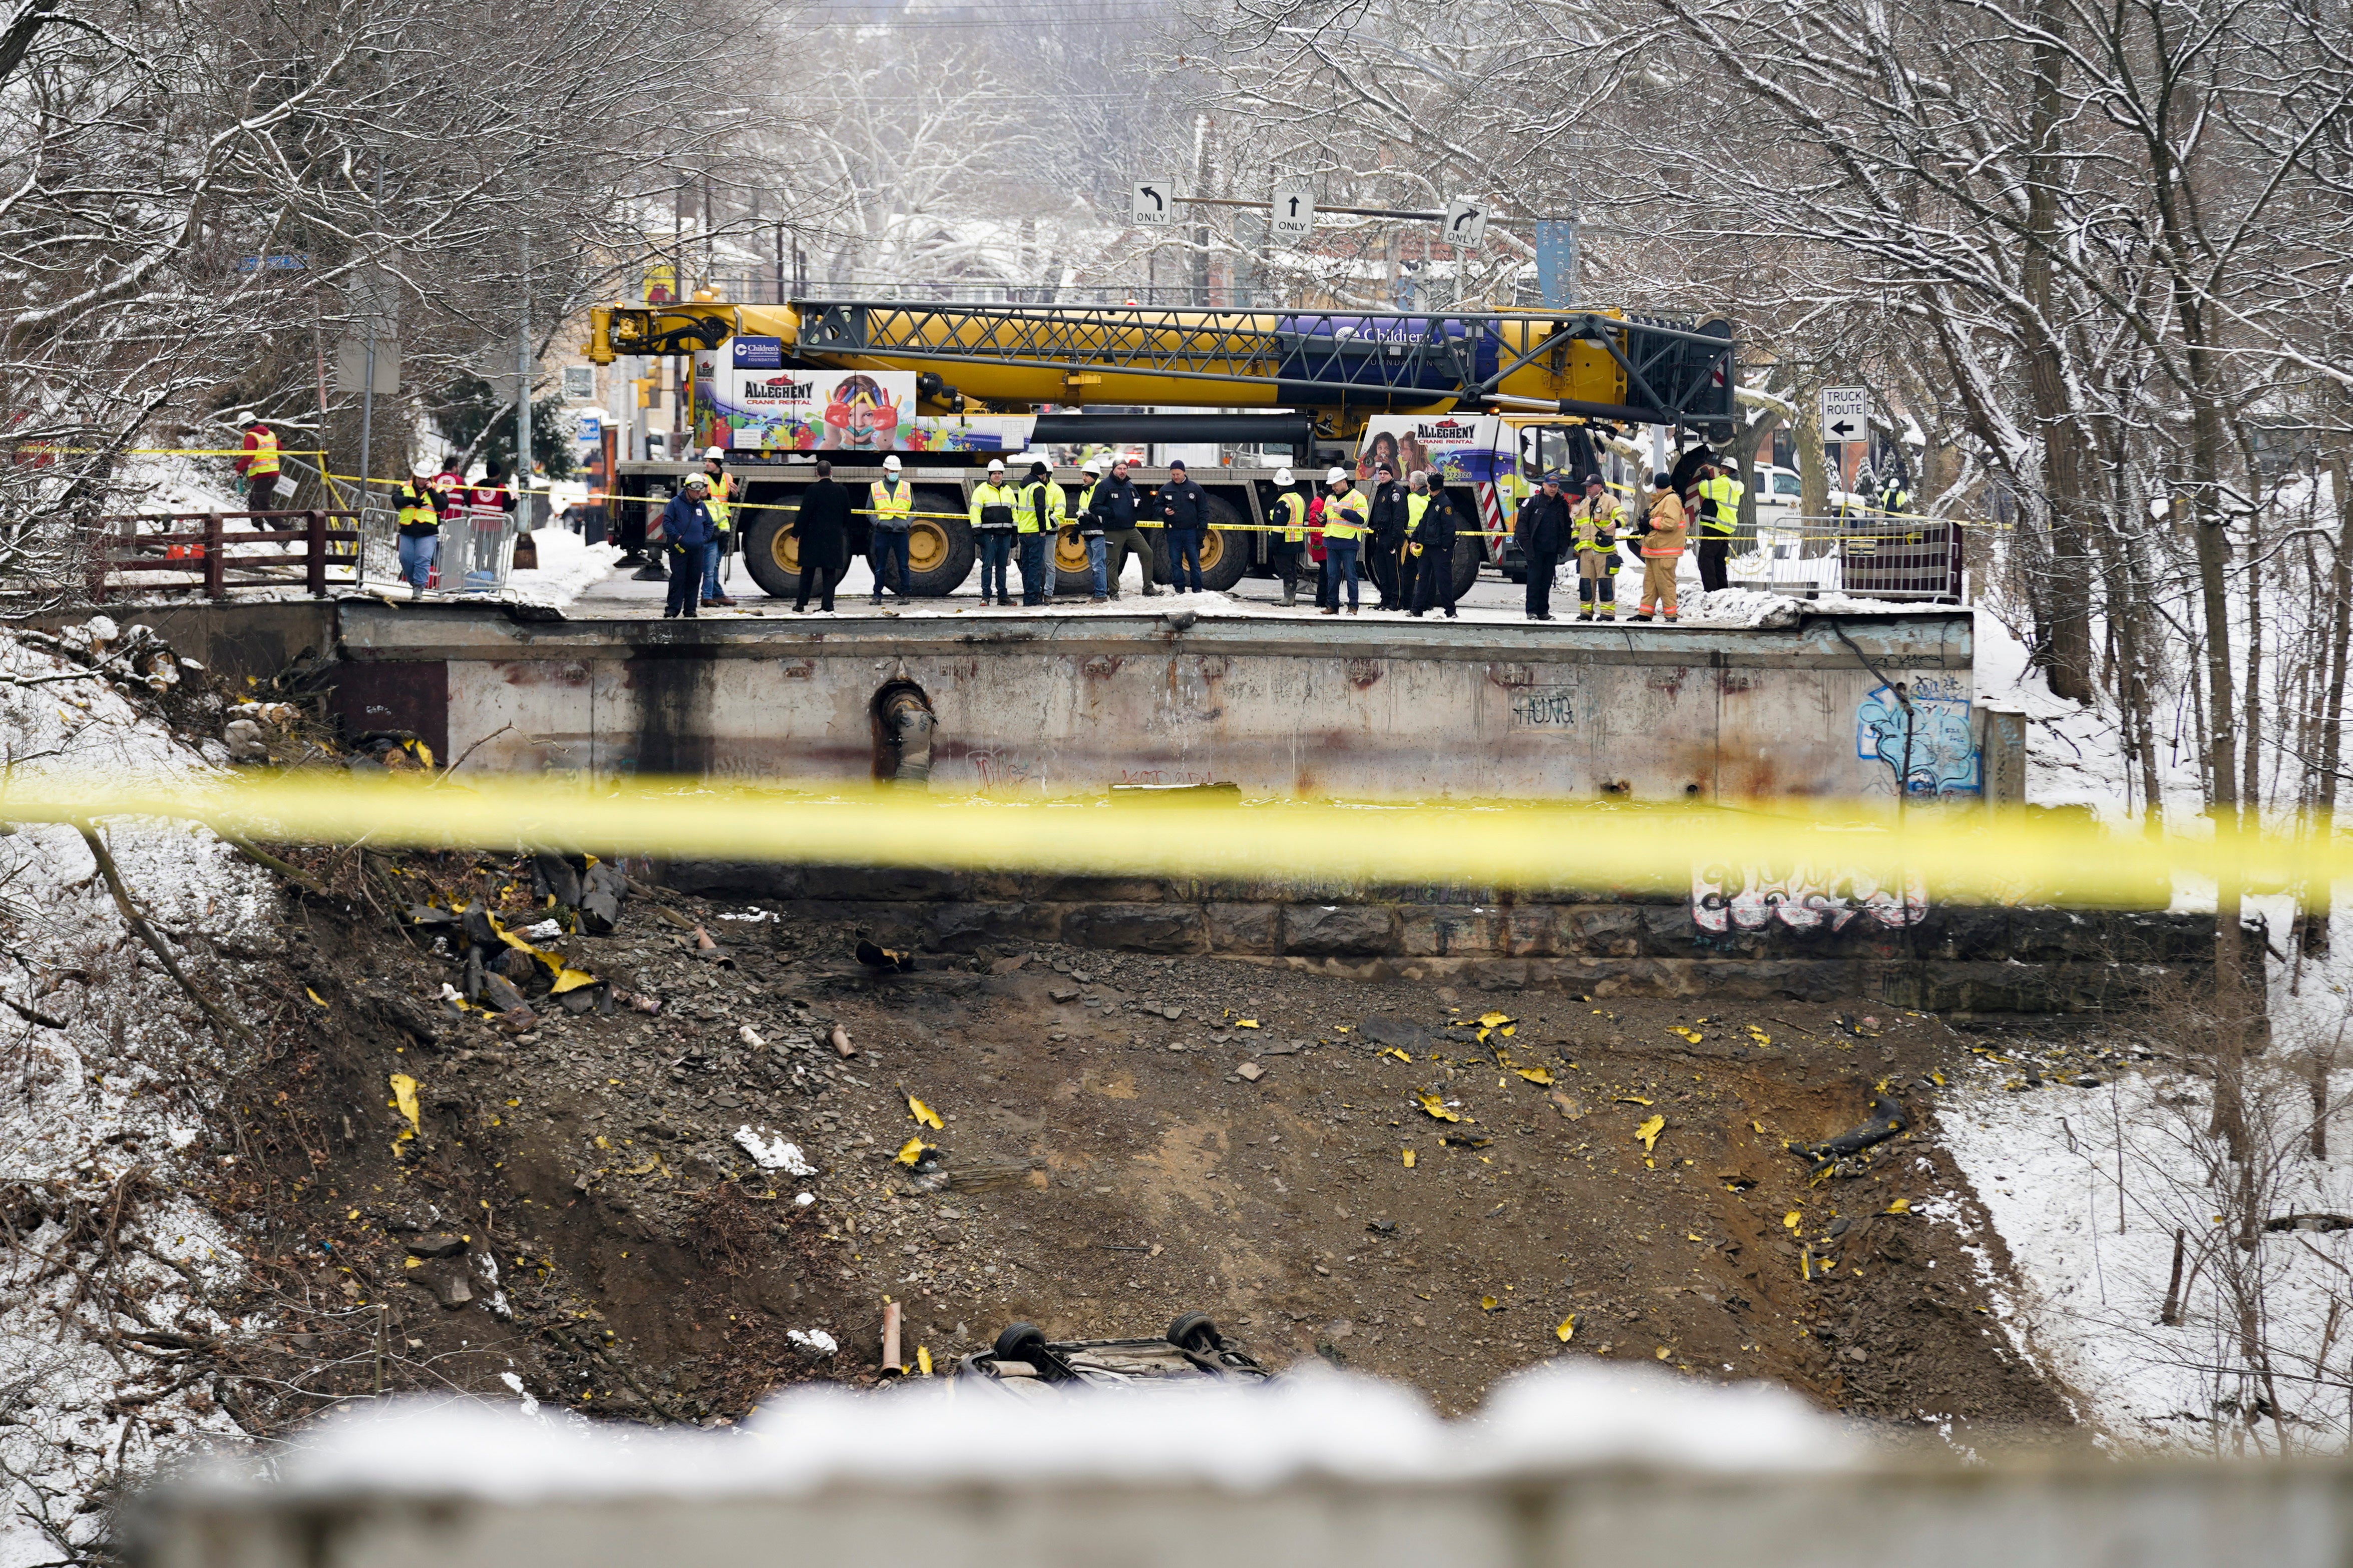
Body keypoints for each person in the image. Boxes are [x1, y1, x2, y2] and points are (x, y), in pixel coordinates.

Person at [1085, 457, 1156, 599]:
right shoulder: (1105, 486)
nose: (1123, 472)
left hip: (1130, 529)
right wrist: (1111, 513)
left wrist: (1139, 505)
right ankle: (1114, 592)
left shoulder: (1129, 485)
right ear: (1114, 470)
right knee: (1113, 561)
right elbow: (1093, 506)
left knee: (1147, 553)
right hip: (1114, 530)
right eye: (1120, 469)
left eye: (1125, 469)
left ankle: (1148, 587)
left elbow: (1137, 500)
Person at [792, 459, 852, 613]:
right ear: (831, 473)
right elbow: (847, 515)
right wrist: (838, 528)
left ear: (817, 473)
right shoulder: (842, 491)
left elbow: (804, 513)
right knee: (829, 572)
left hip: (812, 537)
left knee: (808, 571)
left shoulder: (812, 490)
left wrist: (796, 533)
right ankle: (828, 605)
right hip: (833, 538)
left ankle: (801, 603)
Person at [1631, 471, 1688, 623]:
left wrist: (1649, 522)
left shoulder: (1671, 500)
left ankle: (1671, 615)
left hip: (1665, 551)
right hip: (1655, 550)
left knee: (1665, 584)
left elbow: (1670, 523)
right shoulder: (1662, 500)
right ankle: (1645, 613)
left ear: (1656, 486)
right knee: (1650, 584)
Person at [1514, 473, 1573, 621]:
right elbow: (1521, 526)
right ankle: (1532, 611)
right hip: (1535, 550)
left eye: (1556, 486)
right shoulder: (1533, 502)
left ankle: (1543, 611)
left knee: (1546, 582)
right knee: (1534, 581)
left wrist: (1564, 545)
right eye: (1551, 486)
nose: (1553, 489)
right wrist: (1527, 547)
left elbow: (1567, 526)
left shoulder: (1561, 504)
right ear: (1544, 486)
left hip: (1552, 550)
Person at [659, 475, 716, 619]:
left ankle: (690, 609)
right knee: (678, 578)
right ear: (688, 489)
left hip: (697, 550)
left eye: (700, 491)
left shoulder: (701, 506)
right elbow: (667, 522)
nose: (699, 494)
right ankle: (673, 609)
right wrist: (678, 537)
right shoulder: (675, 504)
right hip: (679, 549)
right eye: (696, 491)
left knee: (694, 578)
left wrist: (704, 539)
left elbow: (709, 524)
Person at [1571, 475, 1623, 622]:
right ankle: (1586, 612)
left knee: (1606, 583)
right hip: (1586, 551)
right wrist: (1576, 539)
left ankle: (1607, 613)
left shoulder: (1610, 501)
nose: (1587, 488)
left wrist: (1617, 523)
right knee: (1586, 583)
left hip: (1604, 551)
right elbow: (1577, 525)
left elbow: (1623, 516)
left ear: (1599, 487)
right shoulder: (1585, 503)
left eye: (1590, 486)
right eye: (1586, 486)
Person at [1411, 472, 1462, 619]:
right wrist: (1415, 539)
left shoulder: (1445, 504)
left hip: (1440, 550)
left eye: (1428, 485)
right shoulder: (1432, 502)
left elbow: (1450, 529)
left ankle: (1450, 611)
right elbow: (1423, 524)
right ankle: (1417, 609)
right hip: (1428, 547)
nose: (1427, 487)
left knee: (1444, 581)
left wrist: (1445, 547)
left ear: (1433, 487)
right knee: (1422, 579)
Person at [970, 457, 1019, 605]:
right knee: (987, 565)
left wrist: (1015, 532)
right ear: (989, 475)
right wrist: (977, 532)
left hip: (1005, 534)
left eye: (1000, 473)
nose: (997, 476)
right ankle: (986, 596)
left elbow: (1014, 511)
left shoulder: (1008, 491)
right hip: (989, 535)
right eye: (995, 473)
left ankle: (1002, 596)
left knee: (1002, 566)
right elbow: (975, 511)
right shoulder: (981, 491)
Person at [1016, 458, 1065, 606]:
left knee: (1027, 566)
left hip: (1024, 530)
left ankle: (1029, 596)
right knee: (1035, 566)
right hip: (1036, 531)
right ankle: (1032, 598)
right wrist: (1044, 529)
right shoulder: (1038, 487)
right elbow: (1039, 510)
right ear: (1043, 474)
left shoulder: (1024, 487)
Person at [1318, 466, 1367, 615]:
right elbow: (1328, 517)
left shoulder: (1357, 497)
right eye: (1332, 485)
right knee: (1332, 576)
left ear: (1343, 482)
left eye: (1335, 485)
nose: (1333, 488)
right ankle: (1332, 606)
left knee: (1351, 575)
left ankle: (1353, 606)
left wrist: (1343, 512)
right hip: (1332, 541)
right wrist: (1322, 519)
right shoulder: (1330, 498)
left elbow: (1362, 518)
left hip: (1348, 541)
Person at [868, 453, 914, 603]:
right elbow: (869, 510)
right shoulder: (875, 487)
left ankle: (905, 595)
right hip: (883, 531)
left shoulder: (906, 487)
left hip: (901, 532)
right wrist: (878, 524)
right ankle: (877, 595)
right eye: (891, 471)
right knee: (880, 566)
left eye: (896, 471)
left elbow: (914, 510)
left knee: (903, 566)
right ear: (885, 471)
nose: (894, 474)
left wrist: (907, 523)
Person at [1693, 459, 1743, 594]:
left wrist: (1704, 479)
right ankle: (1722, 591)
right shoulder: (1736, 484)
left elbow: (1704, 489)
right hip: (1724, 529)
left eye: (1722, 469)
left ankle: (1712, 592)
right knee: (1718, 562)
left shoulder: (1724, 482)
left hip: (1714, 527)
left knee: (1705, 560)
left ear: (1728, 470)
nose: (1720, 471)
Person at [1158, 457, 1208, 593]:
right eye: (1173, 475)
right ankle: (1179, 589)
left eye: (1178, 474)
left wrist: (1202, 530)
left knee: (1194, 562)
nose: (1176, 477)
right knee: (1175, 562)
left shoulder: (1195, 489)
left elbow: (1204, 510)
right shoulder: (1165, 490)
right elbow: (1156, 507)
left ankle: (1197, 589)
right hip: (1174, 532)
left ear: (1184, 473)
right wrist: (1164, 511)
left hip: (1191, 532)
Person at [394, 467, 444, 600]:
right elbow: (396, 501)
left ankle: (419, 587)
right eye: (419, 478)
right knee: (405, 558)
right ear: (415, 476)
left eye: (425, 478)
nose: (422, 481)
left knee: (423, 559)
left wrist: (431, 491)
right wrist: (411, 500)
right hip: (407, 530)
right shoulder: (405, 487)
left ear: (429, 478)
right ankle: (414, 582)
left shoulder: (437, 489)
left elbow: (443, 505)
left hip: (428, 532)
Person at [698, 447, 737, 608]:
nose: (707, 464)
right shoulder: (702, 478)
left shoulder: (728, 478)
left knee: (715, 564)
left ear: (718, 463)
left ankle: (714, 594)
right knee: (711, 565)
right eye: (706, 461)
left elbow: (732, 502)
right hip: (709, 527)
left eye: (710, 461)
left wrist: (736, 496)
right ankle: (714, 595)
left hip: (723, 526)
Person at [1366, 462, 1407, 610]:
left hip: (1391, 536)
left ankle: (1396, 602)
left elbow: (1399, 517)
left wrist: (1394, 538)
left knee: (1394, 571)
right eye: (1381, 474)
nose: (1382, 476)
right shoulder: (1381, 490)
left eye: (1386, 474)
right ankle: (1385, 599)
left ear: (1391, 475)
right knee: (1382, 570)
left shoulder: (1397, 491)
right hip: (1380, 535)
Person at [1267, 468, 1311, 606]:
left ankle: (1288, 599)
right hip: (1296, 541)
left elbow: (1278, 528)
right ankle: (1291, 597)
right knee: (1291, 569)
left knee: (1286, 570)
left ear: (1278, 485)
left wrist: (1271, 546)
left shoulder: (1283, 501)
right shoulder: (1299, 498)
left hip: (1285, 542)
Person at [234, 416, 282, 516]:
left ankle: (286, 529)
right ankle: (258, 525)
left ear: (246, 427)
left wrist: (239, 468)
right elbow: (280, 449)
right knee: (253, 500)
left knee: (264, 506)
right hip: (273, 473)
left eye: (242, 429)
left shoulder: (250, 436)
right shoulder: (271, 434)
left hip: (263, 474)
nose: (243, 432)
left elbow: (250, 456)